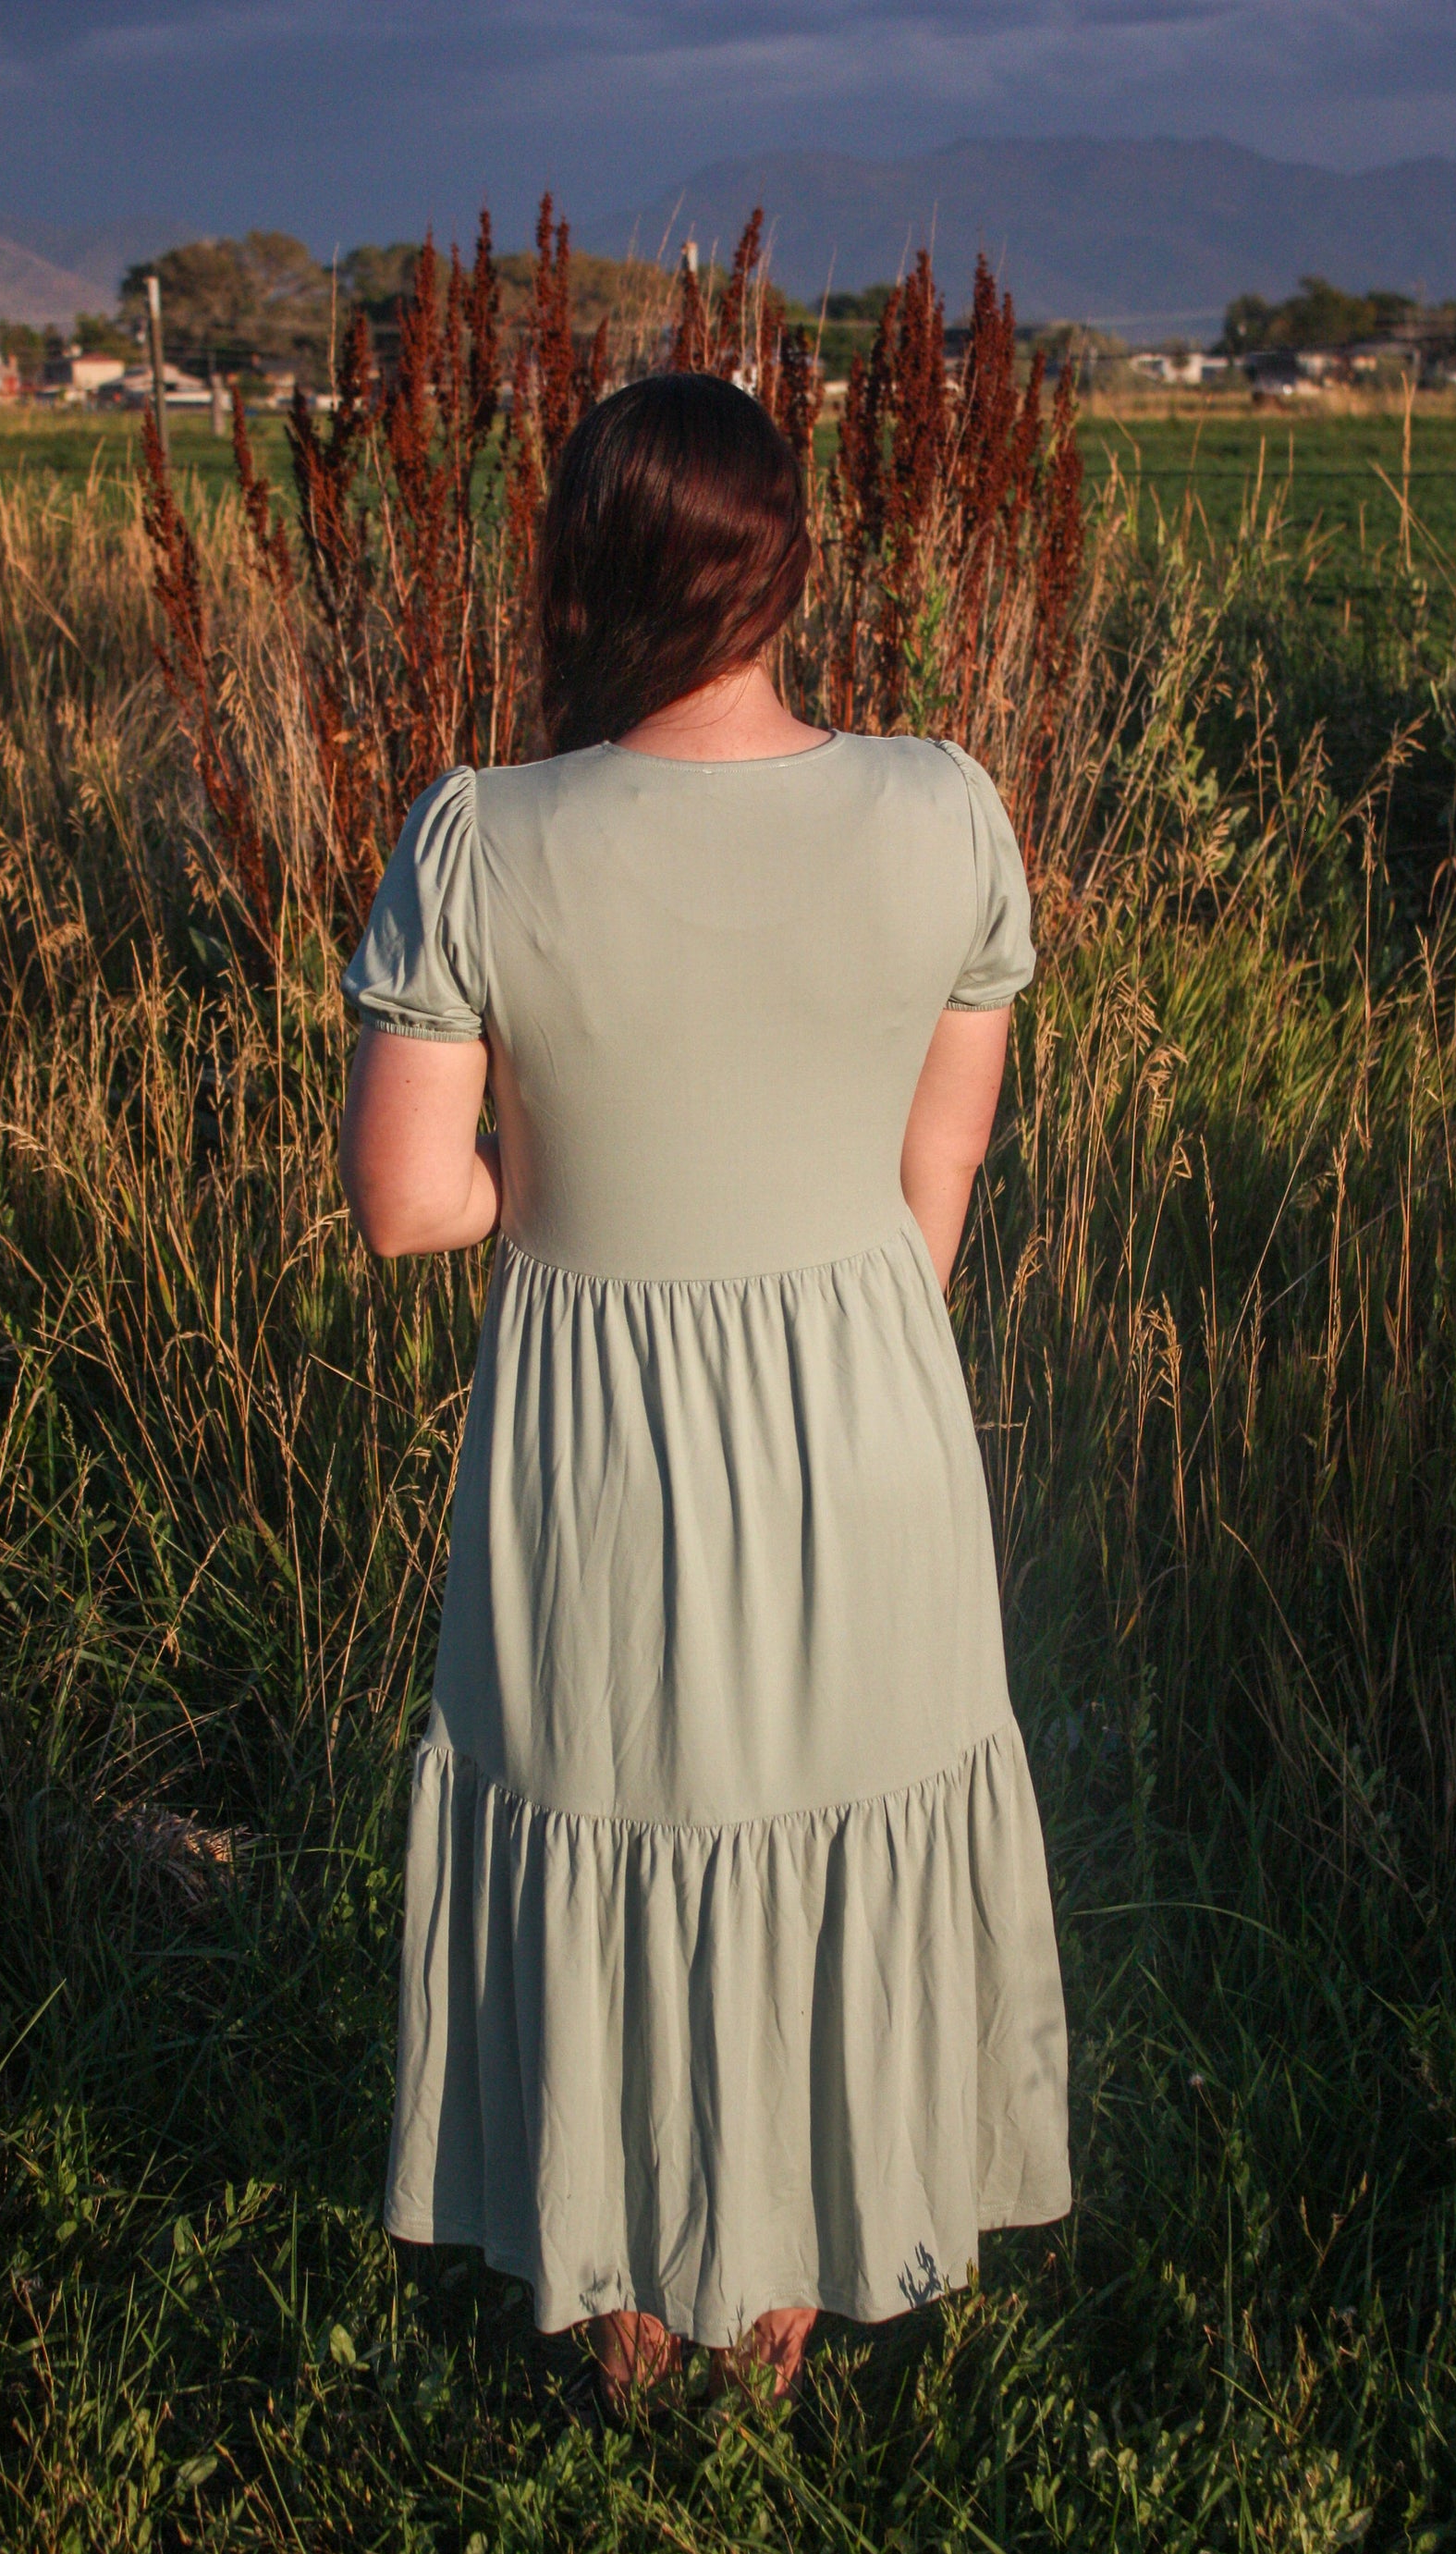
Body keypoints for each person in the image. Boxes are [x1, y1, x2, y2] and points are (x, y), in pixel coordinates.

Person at [337, 372, 1069, 2416]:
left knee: (621, 1807)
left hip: (601, 1430)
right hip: (866, 1399)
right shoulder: (945, 806)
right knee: (835, 1816)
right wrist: (826, 1343)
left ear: (578, 569)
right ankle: (799, 2287)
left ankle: (630, 2289)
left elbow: (407, 1204)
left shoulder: (482, 832)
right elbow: (935, 1176)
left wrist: (560, 1182)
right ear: (787, 569)